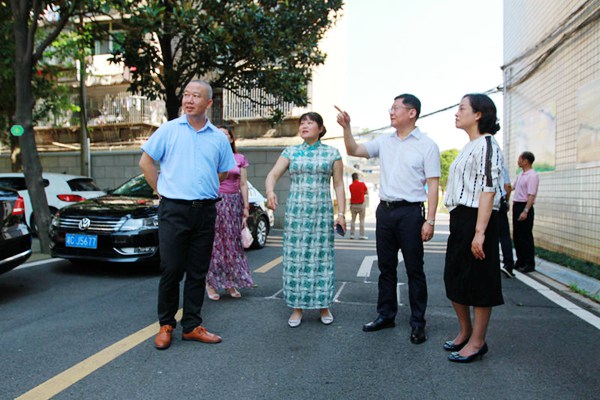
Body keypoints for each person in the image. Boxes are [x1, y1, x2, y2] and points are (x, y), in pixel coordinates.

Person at [336, 94, 440, 345]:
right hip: (385, 211)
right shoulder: (385, 141)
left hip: (411, 213)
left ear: (412, 112)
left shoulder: (427, 145)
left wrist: (431, 221)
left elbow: (434, 185)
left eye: (396, 108)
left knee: (415, 270)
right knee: (386, 267)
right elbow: (354, 150)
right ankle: (386, 315)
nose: (391, 112)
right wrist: (347, 128)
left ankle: (418, 322)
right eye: (391, 108)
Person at [139, 80, 236, 350]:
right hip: (174, 210)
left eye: (196, 96)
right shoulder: (169, 130)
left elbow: (225, 171)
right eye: (186, 95)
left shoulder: (218, 137)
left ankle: (192, 325)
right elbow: (145, 161)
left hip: (205, 211)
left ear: (209, 103)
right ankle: (166, 324)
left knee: (197, 271)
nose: (189, 100)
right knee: (171, 268)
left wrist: (201, 185)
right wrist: (160, 189)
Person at [265, 112, 346, 328]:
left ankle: (324, 306)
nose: (304, 126)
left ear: (320, 129)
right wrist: (270, 191)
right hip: (296, 213)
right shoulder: (290, 152)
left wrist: (341, 214)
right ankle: (297, 307)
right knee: (296, 260)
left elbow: (338, 185)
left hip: (321, 214)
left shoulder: (332, 154)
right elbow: (272, 175)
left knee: (321, 259)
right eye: (302, 123)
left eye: (310, 123)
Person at [443, 93, 504, 363]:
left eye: (462, 108)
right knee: (454, 277)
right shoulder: (469, 146)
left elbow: (488, 188)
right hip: (460, 218)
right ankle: (465, 331)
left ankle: (478, 342)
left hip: (480, 219)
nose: (457, 112)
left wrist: (480, 233)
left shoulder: (488, 144)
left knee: (480, 280)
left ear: (478, 114)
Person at [206, 126, 254, 300]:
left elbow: (243, 184)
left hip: (234, 203)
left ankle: (230, 283)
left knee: (233, 244)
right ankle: (211, 283)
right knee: (216, 244)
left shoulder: (239, 158)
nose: (222, 137)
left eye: (225, 134)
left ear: (232, 139)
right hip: (215, 201)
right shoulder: (211, 156)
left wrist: (245, 208)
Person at [512, 151, 539, 273]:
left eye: (520, 159)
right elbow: (511, 187)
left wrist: (526, 211)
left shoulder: (532, 176)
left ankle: (529, 263)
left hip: (525, 206)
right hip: (517, 205)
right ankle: (520, 260)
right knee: (517, 235)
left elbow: (531, 195)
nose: (518, 161)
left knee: (525, 236)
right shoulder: (521, 175)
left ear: (526, 161)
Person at [499, 164, 516, 278]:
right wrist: (506, 201)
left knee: (488, 235)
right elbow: (508, 186)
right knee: (504, 235)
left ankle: (489, 266)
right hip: (500, 202)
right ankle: (508, 265)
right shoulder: (502, 166)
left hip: (486, 203)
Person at [349, 172, 369, 240]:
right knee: (362, 220)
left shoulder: (350, 186)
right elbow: (366, 192)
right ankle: (362, 235)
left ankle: (352, 234)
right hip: (361, 205)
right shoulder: (362, 184)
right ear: (357, 177)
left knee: (353, 220)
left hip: (353, 205)